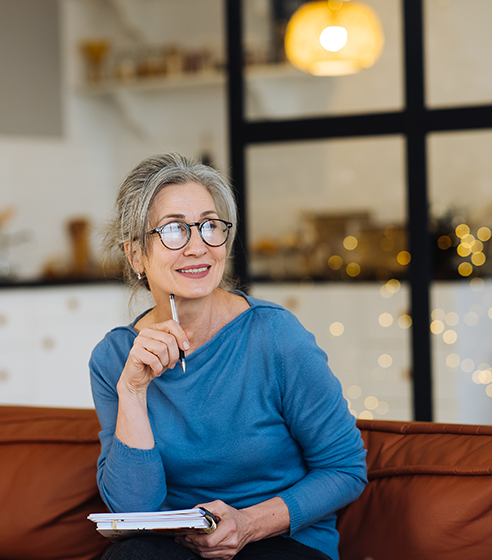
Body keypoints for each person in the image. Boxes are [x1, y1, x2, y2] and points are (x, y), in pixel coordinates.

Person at [90, 153, 367, 560]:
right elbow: (134, 512)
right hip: (178, 548)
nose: (198, 246)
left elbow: (345, 470)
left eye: (209, 226)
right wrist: (132, 390)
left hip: (279, 541)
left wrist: (249, 523)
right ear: (135, 256)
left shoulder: (275, 336)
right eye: (173, 230)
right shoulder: (115, 357)